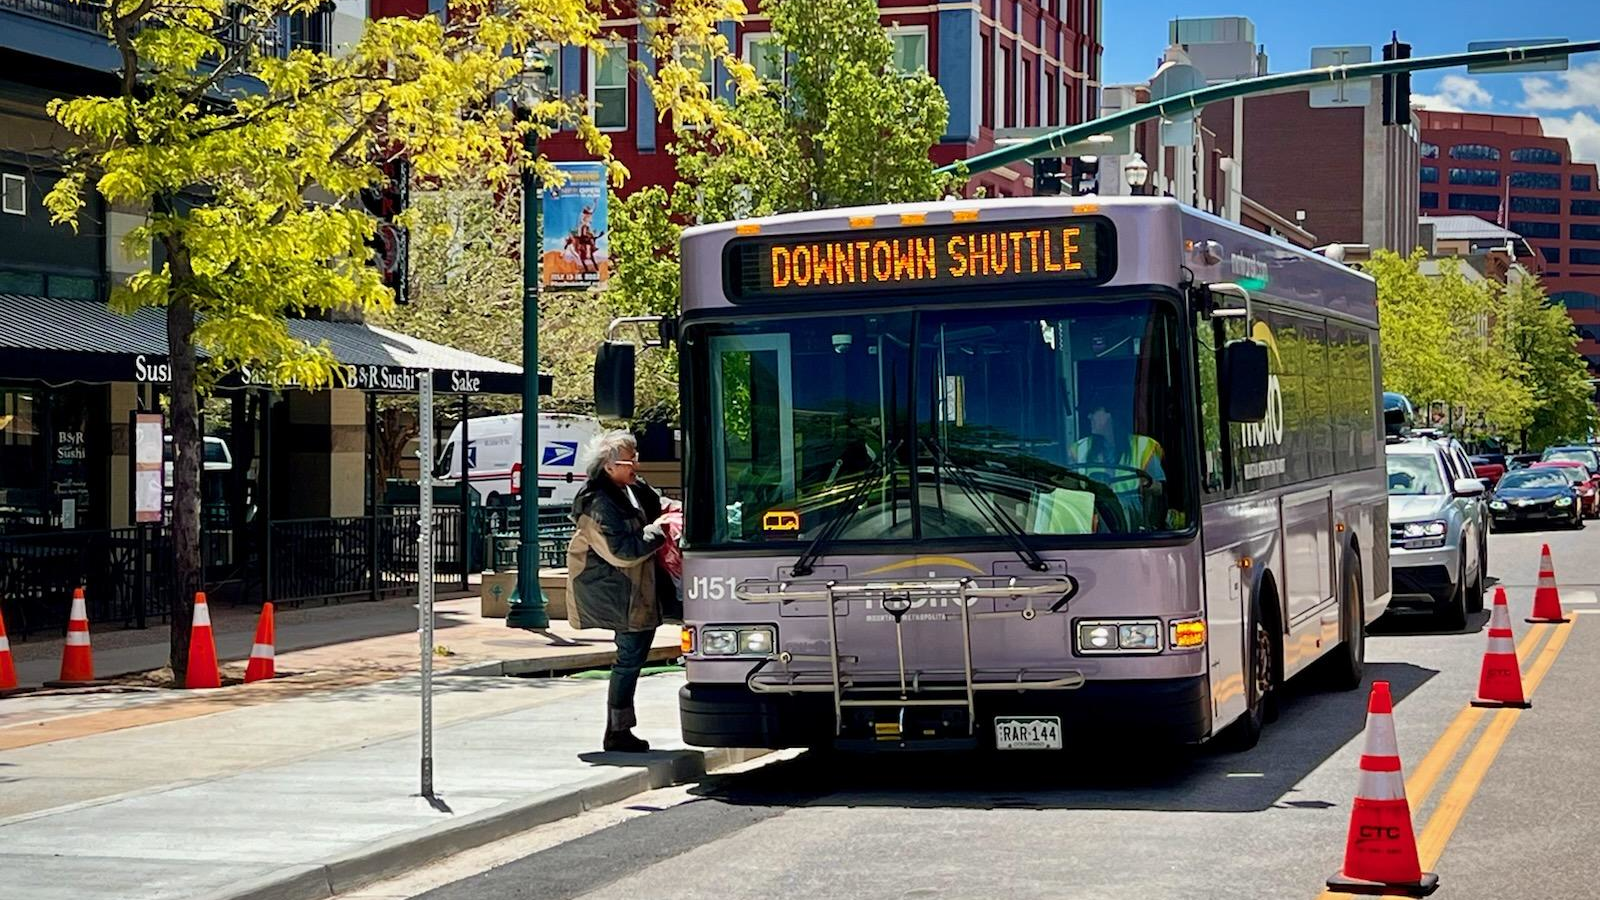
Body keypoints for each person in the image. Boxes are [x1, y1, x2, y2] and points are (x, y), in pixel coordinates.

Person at [566, 431, 675, 753]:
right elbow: (622, 552)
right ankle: (617, 731)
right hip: (620, 593)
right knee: (628, 659)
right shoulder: (597, 503)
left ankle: (620, 729)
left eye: (636, 457)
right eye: (630, 461)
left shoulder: (632, 488)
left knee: (634, 656)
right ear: (610, 466)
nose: (636, 465)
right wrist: (660, 531)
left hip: (642, 589)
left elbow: (658, 504)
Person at [1070, 401, 1166, 527]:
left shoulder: (1143, 446)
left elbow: (1160, 489)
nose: (1089, 416)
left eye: (1094, 411)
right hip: (1092, 518)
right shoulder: (1080, 448)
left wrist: (1147, 483)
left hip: (1130, 521)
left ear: (1111, 414)